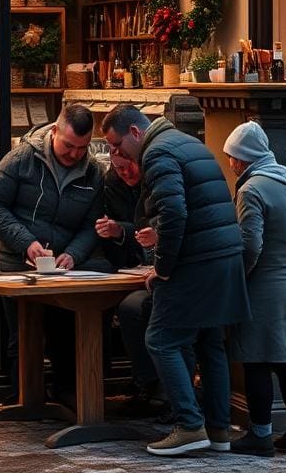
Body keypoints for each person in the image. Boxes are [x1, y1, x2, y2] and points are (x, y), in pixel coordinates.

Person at [101, 104, 250, 457]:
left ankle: (188, 425)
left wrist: (163, 268)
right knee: (210, 344)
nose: (115, 153)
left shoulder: (158, 153)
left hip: (196, 263)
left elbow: (173, 213)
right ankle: (218, 430)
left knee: (161, 339)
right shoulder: (188, 143)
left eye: (117, 144)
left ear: (136, 132)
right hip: (224, 258)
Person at [0, 103, 105, 401]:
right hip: (16, 263)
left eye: (82, 148)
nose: (75, 154)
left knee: (65, 331)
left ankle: (66, 396)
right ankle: (25, 398)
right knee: (23, 333)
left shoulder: (94, 173)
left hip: (64, 267)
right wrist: (26, 242)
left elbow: (93, 224)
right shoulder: (22, 158)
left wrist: (74, 253)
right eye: (69, 146)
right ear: (54, 132)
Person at [222, 121, 286, 458]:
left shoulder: (251, 190)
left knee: (257, 363)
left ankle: (261, 435)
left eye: (232, 157)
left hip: (261, 289)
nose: (231, 163)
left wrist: (239, 280)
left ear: (243, 158)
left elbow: (250, 244)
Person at [96, 151, 163, 408]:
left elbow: (170, 223)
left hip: (166, 272)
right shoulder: (112, 182)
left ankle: (152, 386)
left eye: (129, 167)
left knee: (133, 307)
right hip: (135, 265)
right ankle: (145, 382)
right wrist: (117, 230)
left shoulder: (159, 175)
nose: (126, 174)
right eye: (120, 169)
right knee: (125, 305)